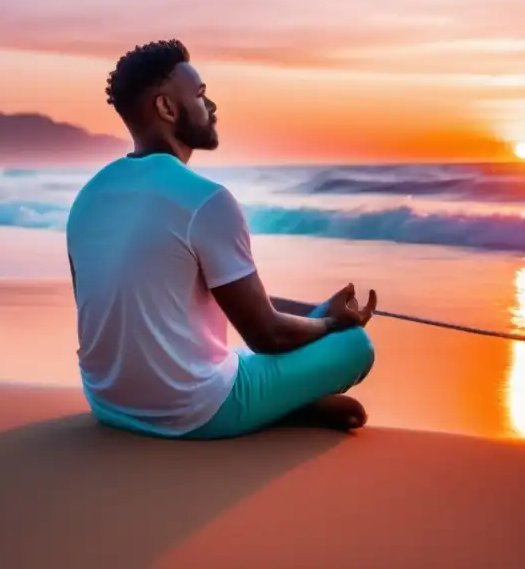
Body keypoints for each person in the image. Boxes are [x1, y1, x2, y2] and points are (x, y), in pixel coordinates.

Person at [66, 39, 377, 440]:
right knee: (355, 345)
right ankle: (279, 405)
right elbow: (267, 336)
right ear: (166, 108)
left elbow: (131, 308)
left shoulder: (87, 197)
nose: (211, 107)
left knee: (248, 345)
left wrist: (316, 314)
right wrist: (333, 324)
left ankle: (282, 399)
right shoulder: (206, 200)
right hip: (191, 412)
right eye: (199, 95)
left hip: (108, 402)